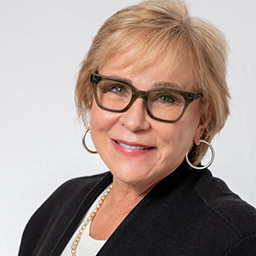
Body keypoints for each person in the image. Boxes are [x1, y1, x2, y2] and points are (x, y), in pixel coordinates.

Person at [19, 0, 256, 255]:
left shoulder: (236, 238)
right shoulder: (61, 204)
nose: (133, 122)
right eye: (117, 89)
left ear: (203, 119)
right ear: (91, 95)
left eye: (166, 97)